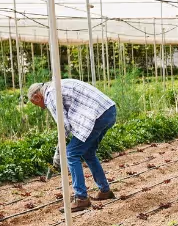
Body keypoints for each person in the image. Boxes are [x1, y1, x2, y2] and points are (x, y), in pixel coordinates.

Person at [28, 79, 118, 212]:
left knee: (71, 153)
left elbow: (63, 125)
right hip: (108, 111)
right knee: (88, 152)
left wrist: (59, 151)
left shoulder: (50, 95)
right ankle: (105, 191)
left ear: (37, 96)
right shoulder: (57, 85)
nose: (41, 107)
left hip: (97, 116)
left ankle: (81, 198)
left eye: (36, 103)